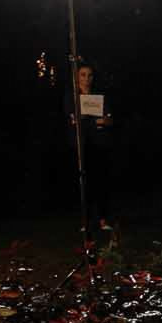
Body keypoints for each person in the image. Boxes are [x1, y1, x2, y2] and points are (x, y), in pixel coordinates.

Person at [67, 62, 115, 229]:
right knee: (83, 183)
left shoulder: (99, 96)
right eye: (83, 75)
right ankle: (85, 221)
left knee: (101, 181)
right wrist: (82, 119)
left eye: (89, 75)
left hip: (99, 144)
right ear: (77, 76)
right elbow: (73, 118)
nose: (86, 79)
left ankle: (103, 219)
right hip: (81, 145)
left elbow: (109, 119)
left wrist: (104, 121)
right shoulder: (72, 96)